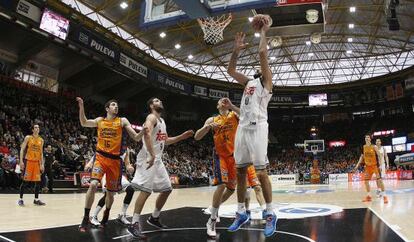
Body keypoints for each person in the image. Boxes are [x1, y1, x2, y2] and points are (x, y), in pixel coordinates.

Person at [226, 15, 277, 237]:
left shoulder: (266, 82)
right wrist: (236, 51)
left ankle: (270, 213)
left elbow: (263, 53)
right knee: (239, 171)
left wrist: (263, 31)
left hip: (258, 128)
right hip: (243, 128)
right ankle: (241, 212)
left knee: (261, 172)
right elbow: (230, 71)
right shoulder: (248, 83)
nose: (260, 65)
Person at [195, 98, 264, 238]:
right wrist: (207, 127)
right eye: (220, 101)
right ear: (217, 105)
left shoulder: (234, 115)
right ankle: (212, 221)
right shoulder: (212, 119)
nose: (223, 101)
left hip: (236, 156)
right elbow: (197, 137)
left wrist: (232, 105)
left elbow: (247, 115)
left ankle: (216, 207)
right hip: (221, 156)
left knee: (231, 189)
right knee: (221, 185)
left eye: (225, 101)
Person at [127, 97, 194, 239]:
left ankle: (154, 217)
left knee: (167, 189)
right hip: (147, 158)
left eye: (161, 101)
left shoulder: (162, 121)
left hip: (157, 159)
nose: (160, 102)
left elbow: (166, 140)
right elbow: (146, 135)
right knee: (145, 191)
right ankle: (134, 224)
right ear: (151, 105)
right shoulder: (151, 117)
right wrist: (151, 155)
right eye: (157, 101)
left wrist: (182, 136)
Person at [76, 97, 145, 232]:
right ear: (107, 108)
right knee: (93, 184)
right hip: (101, 158)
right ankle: (85, 217)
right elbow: (84, 122)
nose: (116, 107)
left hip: (115, 161)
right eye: (113, 105)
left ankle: (106, 213)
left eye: (117, 105)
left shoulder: (122, 120)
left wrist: (143, 131)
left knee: (110, 194)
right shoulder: (100, 121)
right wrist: (81, 106)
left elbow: (136, 137)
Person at [90, 148, 135, 226]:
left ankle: (122, 215)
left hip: (118, 174)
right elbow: (98, 154)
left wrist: (129, 167)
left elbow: (127, 163)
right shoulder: (111, 141)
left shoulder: (125, 148)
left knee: (130, 189)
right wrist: (90, 163)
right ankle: (93, 216)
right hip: (106, 172)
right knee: (108, 195)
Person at [353, 135, 388, 204]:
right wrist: (357, 165)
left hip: (375, 166)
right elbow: (362, 156)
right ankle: (369, 197)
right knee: (366, 182)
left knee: (380, 181)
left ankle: (385, 196)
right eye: (366, 137)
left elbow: (380, 155)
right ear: (365, 139)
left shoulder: (374, 147)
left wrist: (381, 165)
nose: (367, 138)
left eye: (368, 137)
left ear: (370, 139)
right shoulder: (363, 147)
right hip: (368, 167)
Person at [18, 124, 45, 206]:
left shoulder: (41, 140)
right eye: (35, 127)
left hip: (37, 163)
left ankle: (36, 200)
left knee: (37, 182)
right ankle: (20, 199)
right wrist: (21, 161)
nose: (37, 129)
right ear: (32, 130)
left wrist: (42, 164)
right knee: (25, 182)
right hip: (29, 162)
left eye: (38, 127)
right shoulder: (28, 138)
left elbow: (41, 153)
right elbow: (22, 149)